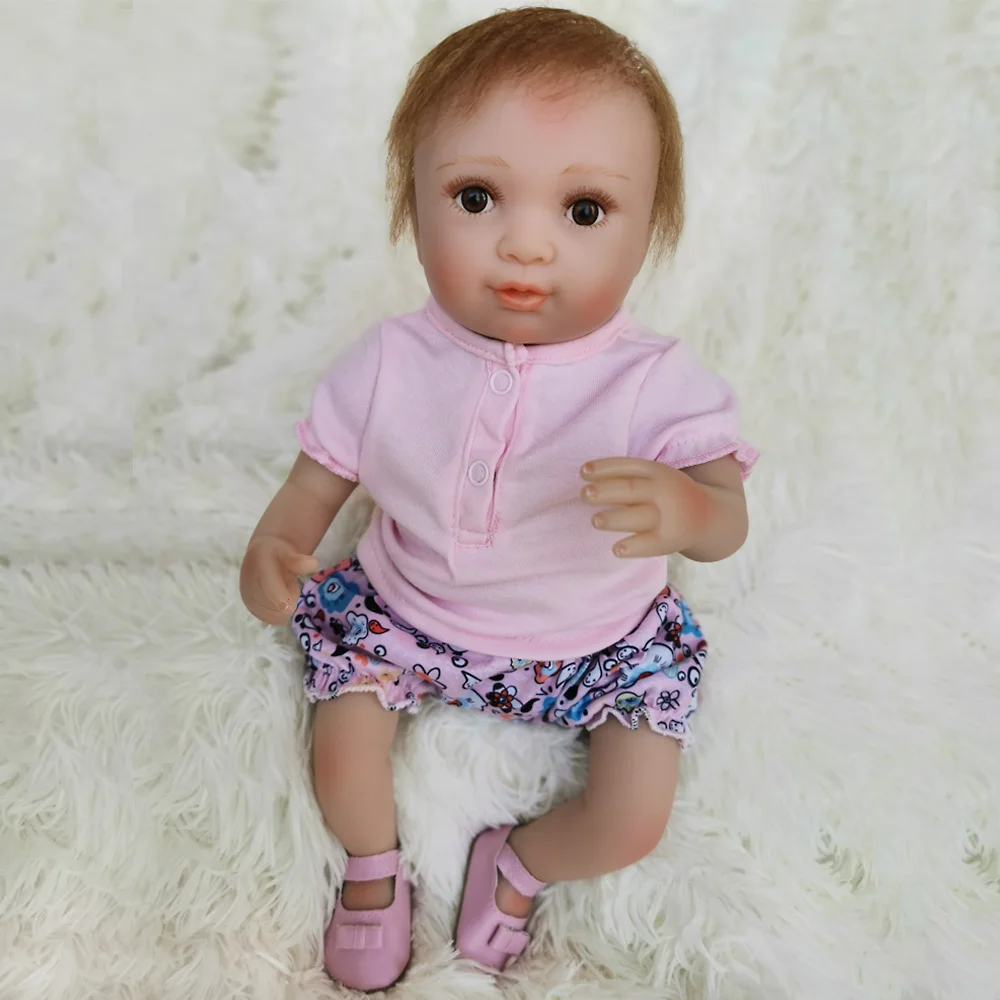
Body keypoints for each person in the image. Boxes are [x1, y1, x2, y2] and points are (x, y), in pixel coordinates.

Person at [240, 7, 757, 992]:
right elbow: (314, 482)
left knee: (634, 818)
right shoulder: (389, 362)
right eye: (476, 198)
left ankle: (521, 863)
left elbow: (725, 514)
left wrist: (689, 511)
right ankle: (372, 869)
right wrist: (274, 547)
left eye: (583, 211)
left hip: (601, 639)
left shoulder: (653, 381)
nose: (525, 247)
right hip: (411, 612)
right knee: (342, 747)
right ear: (411, 203)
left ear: (649, 230)